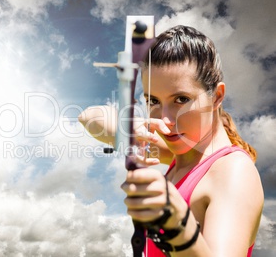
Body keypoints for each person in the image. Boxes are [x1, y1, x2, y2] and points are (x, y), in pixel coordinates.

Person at [78, 25, 263, 256]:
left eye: (181, 99)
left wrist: (179, 229)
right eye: (152, 101)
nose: (164, 119)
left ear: (216, 97)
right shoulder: (182, 153)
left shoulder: (233, 171)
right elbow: (88, 117)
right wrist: (131, 127)